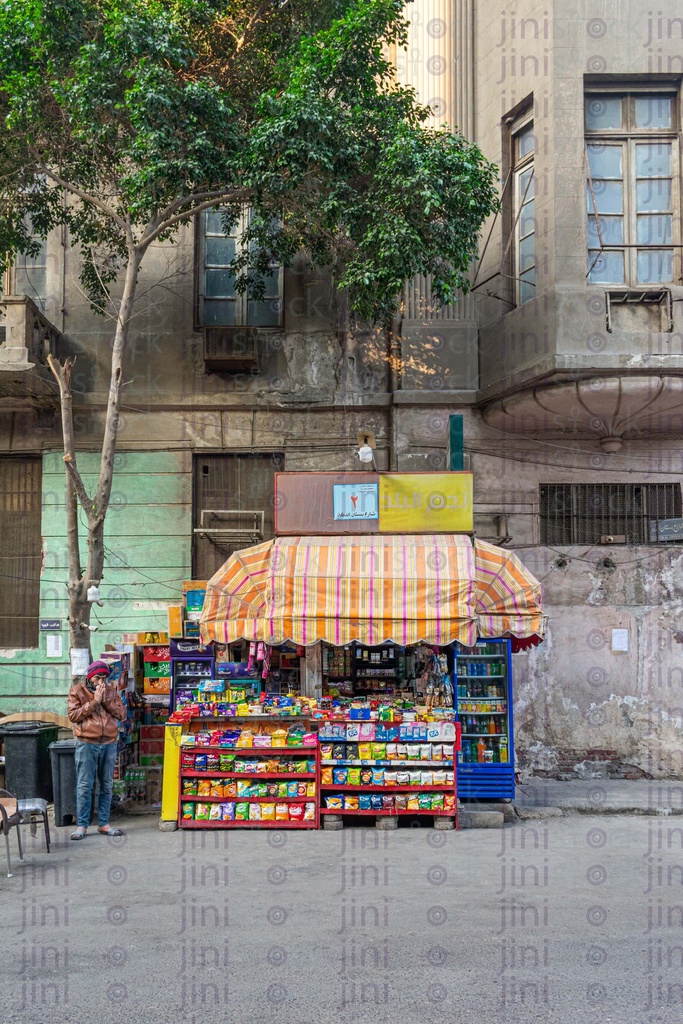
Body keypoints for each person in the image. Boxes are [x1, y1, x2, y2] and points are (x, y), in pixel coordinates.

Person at [67, 660, 127, 840]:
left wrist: (105, 701)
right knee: (85, 784)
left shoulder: (110, 692)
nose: (101, 681)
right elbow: (73, 715)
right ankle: (82, 825)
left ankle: (104, 823)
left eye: (104, 678)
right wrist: (94, 702)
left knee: (106, 784)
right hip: (87, 742)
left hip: (108, 742)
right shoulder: (77, 691)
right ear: (90, 676)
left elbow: (122, 714)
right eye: (98, 677)